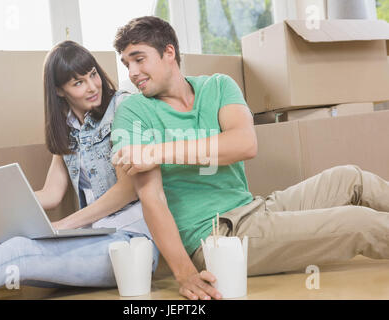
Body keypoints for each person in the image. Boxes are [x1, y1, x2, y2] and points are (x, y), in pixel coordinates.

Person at [109, 16, 389, 300]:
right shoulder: (132, 113)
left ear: (168, 52)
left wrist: (157, 151)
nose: (132, 72)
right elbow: (151, 197)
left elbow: (244, 144)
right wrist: (184, 273)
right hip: (218, 237)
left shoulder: (217, 87)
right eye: (126, 64)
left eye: (139, 59)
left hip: (253, 207)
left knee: (350, 177)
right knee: (358, 223)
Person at [0, 40, 159, 298]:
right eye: (78, 83)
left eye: (92, 75)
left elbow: (129, 190)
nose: (92, 86)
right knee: (12, 248)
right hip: (94, 238)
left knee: (17, 254)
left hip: (132, 245)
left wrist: (65, 225)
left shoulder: (123, 107)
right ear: (59, 90)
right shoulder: (67, 128)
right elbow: (51, 193)